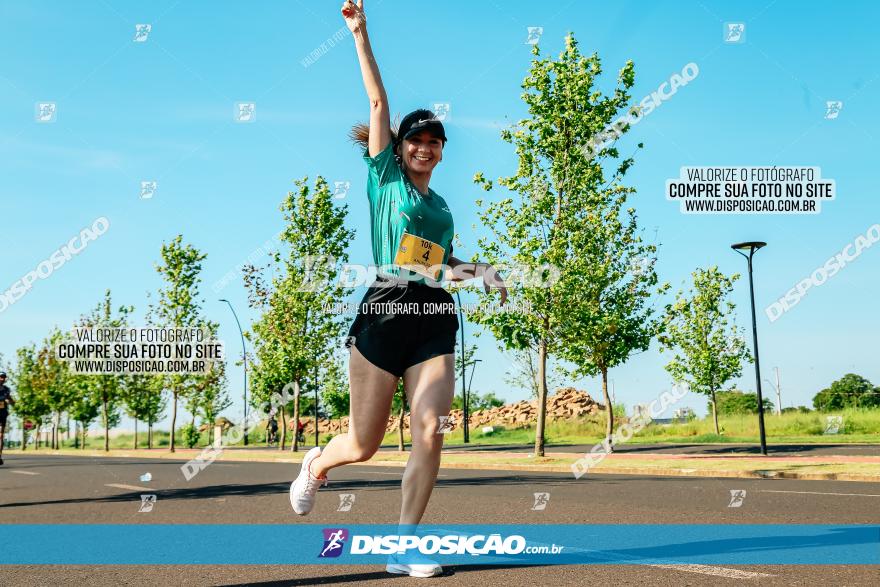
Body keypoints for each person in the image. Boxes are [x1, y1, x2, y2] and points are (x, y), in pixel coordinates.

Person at [289, 0, 507, 578]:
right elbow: (379, 102)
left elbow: (440, 266)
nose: (425, 147)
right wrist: (360, 34)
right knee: (363, 444)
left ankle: (403, 545)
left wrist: (481, 273)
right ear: (399, 145)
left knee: (431, 429)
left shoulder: (440, 206)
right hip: (385, 310)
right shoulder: (383, 177)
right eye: (416, 139)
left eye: (434, 141)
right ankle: (317, 463)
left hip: (434, 315)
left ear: (440, 150)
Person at [0, 372, 15, 466]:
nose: (2, 379)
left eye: (4, 377)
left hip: (2, 413)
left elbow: (10, 399)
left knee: (1, 435)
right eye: (1, 377)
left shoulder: (6, 389)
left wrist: (12, 402)